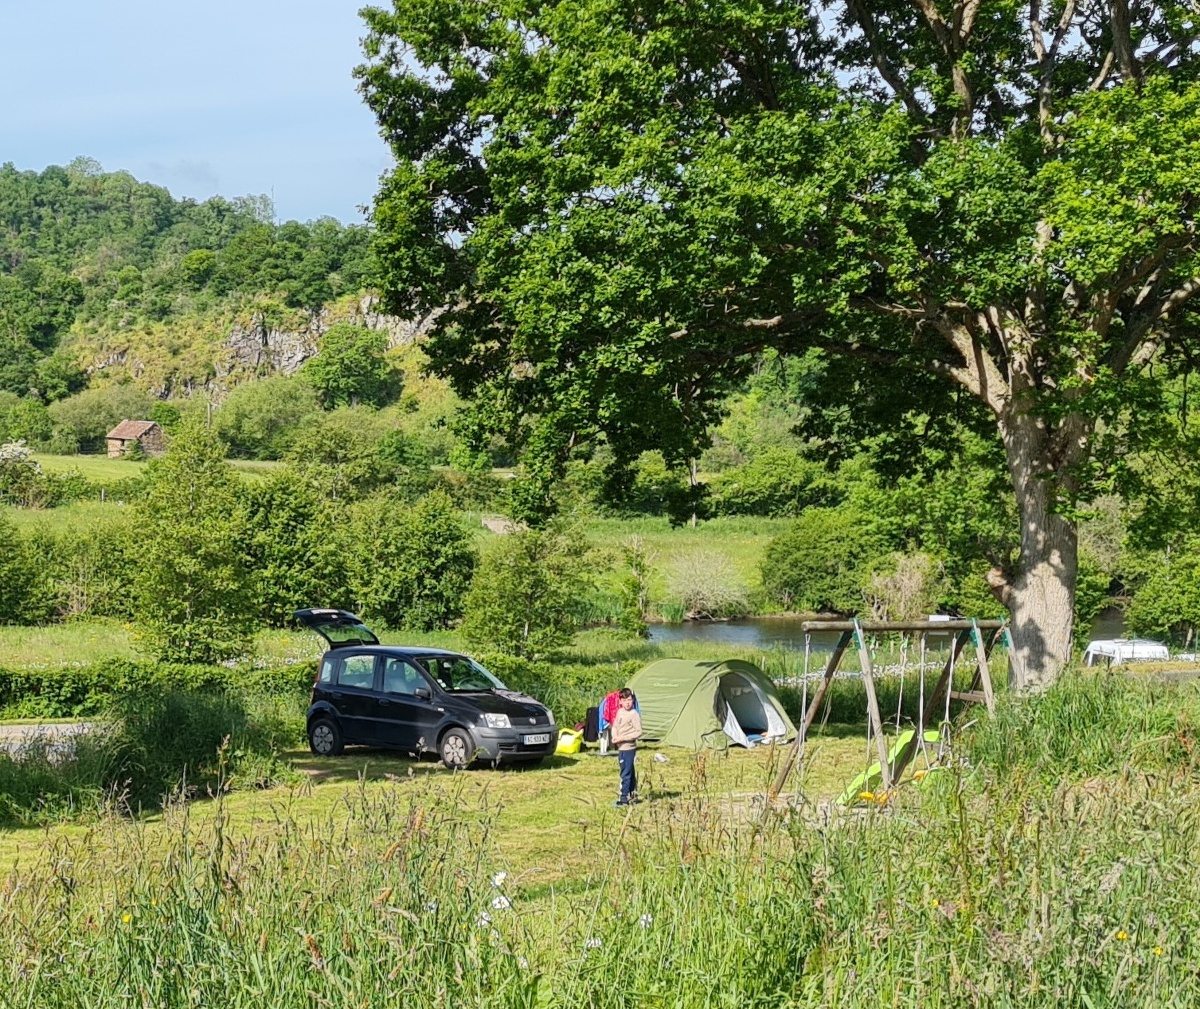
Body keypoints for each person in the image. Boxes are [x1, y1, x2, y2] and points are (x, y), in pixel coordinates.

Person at [609, 687, 642, 806]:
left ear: (633, 700)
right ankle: (633, 795)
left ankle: (623, 799)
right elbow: (615, 726)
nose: (627, 702)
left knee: (625, 773)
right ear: (620, 701)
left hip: (628, 747)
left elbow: (638, 732)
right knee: (630, 771)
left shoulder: (634, 714)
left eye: (629, 700)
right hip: (620, 747)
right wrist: (614, 736)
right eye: (625, 700)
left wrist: (622, 738)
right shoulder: (620, 712)